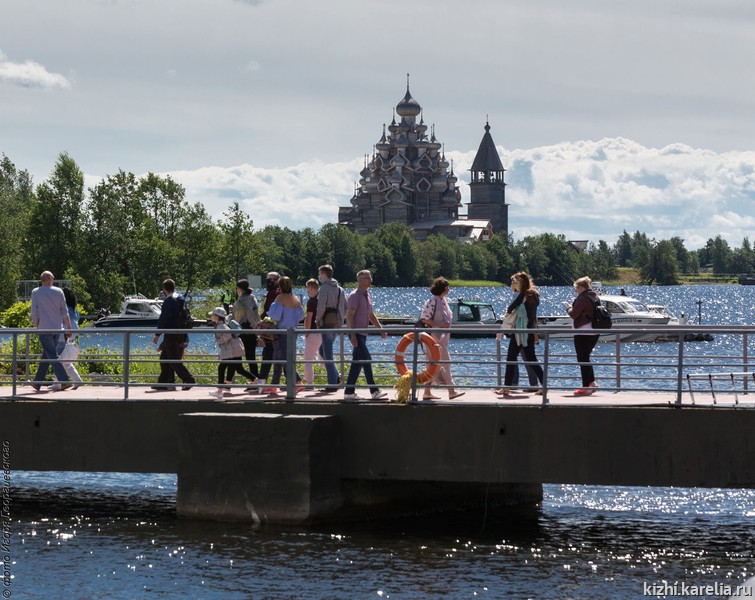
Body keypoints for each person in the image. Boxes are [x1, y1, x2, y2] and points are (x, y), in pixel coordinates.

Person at [496, 272, 545, 397]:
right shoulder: (534, 295)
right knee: (531, 359)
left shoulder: (523, 295)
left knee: (511, 358)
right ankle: (544, 385)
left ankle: (506, 387)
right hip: (529, 331)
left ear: (520, 283)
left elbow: (510, 308)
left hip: (519, 332)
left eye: (515, 282)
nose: (514, 284)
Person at [343, 270, 388, 401]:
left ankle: (349, 392)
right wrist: (352, 335)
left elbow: (371, 315)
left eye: (370, 277)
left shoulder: (367, 295)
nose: (370, 279)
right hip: (356, 333)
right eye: (367, 277)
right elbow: (349, 316)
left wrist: (380, 329)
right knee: (367, 359)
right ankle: (374, 391)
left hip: (363, 334)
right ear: (360, 280)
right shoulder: (354, 296)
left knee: (357, 363)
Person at [419, 277, 465, 400]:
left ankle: (427, 392)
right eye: (447, 287)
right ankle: (451, 391)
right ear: (443, 288)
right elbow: (424, 319)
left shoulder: (443, 301)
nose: (449, 289)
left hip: (442, 338)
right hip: (434, 339)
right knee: (446, 362)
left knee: (434, 365)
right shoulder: (433, 301)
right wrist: (440, 325)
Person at [30, 271, 73, 391]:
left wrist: (36, 324)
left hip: (44, 328)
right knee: (47, 354)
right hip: (57, 328)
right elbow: (64, 311)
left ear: (42, 280)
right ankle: (37, 382)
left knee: (51, 354)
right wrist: (69, 328)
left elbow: (34, 311)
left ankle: (64, 381)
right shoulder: (59, 291)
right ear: (51, 279)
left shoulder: (36, 292)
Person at [152, 278, 196, 391]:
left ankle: (189, 379)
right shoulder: (181, 298)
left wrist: (157, 334)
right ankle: (165, 382)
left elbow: (164, 318)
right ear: (174, 287)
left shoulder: (169, 300)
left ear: (164, 289)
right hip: (181, 332)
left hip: (171, 333)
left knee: (172, 359)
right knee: (164, 358)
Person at [265, 276, 305, 395]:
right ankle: (274, 384)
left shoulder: (280, 298)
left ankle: (297, 381)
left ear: (280, 286)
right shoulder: (295, 298)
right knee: (279, 357)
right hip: (293, 332)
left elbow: (275, 316)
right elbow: (301, 316)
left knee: (282, 357)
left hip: (282, 331)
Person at [207, 306, 257, 400]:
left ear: (217, 316)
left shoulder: (220, 325)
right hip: (236, 348)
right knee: (239, 368)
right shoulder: (223, 323)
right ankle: (256, 380)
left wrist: (219, 341)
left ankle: (219, 391)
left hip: (231, 350)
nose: (211, 316)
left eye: (213, 315)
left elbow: (228, 334)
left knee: (221, 368)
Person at [566, 276, 601, 396]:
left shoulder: (583, 298)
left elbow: (574, 314)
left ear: (581, 287)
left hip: (583, 332)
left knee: (582, 359)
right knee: (585, 358)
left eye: (576, 288)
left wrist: (569, 308)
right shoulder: (594, 296)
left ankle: (586, 386)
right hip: (594, 331)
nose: (576, 291)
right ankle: (591, 383)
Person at [315, 264, 347, 392]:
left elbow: (321, 307)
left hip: (326, 323)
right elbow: (345, 306)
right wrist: (340, 321)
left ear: (324, 275)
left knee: (327, 354)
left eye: (320, 274)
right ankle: (336, 377)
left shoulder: (324, 288)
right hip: (337, 323)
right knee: (323, 351)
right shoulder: (340, 289)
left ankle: (332, 383)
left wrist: (318, 321)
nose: (319, 277)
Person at [232, 279, 260, 389]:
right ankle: (256, 381)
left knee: (236, 358)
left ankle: (253, 380)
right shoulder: (253, 299)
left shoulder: (239, 303)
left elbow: (237, 319)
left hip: (242, 333)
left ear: (239, 289)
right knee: (251, 358)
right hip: (253, 331)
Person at [54, 287, 83, 389]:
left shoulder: (64, 310)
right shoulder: (74, 311)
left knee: (59, 362)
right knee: (67, 364)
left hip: (64, 339)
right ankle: (77, 380)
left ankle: (58, 384)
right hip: (73, 342)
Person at [256, 271, 281, 392]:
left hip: (271, 330)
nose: (269, 282)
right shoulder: (277, 293)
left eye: (271, 279)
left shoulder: (274, 294)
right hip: (275, 330)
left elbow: (269, 312)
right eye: (267, 279)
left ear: (277, 280)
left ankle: (262, 383)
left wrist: (262, 322)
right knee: (277, 356)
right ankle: (293, 381)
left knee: (267, 356)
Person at [303, 278, 326, 387]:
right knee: (321, 357)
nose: (307, 291)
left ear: (311, 288)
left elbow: (309, 317)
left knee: (308, 358)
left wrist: (306, 331)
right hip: (322, 331)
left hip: (313, 331)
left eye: (308, 289)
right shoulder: (322, 299)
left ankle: (309, 382)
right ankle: (336, 376)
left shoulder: (311, 301)